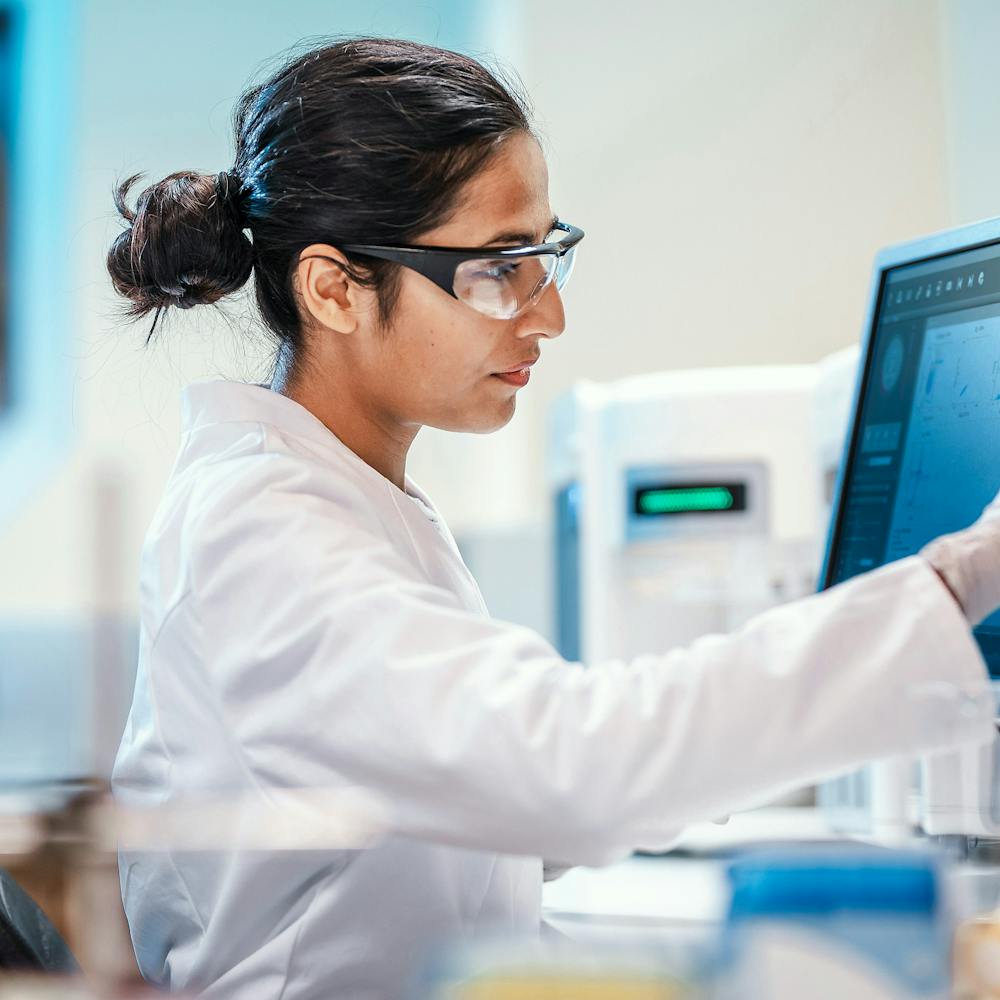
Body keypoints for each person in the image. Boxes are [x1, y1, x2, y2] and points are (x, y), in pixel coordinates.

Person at [106, 36, 1000, 1000]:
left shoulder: (351, 498)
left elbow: (495, 800)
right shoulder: (264, 529)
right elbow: (570, 767)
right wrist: (964, 576)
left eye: (546, 253)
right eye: (498, 268)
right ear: (334, 288)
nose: (547, 316)